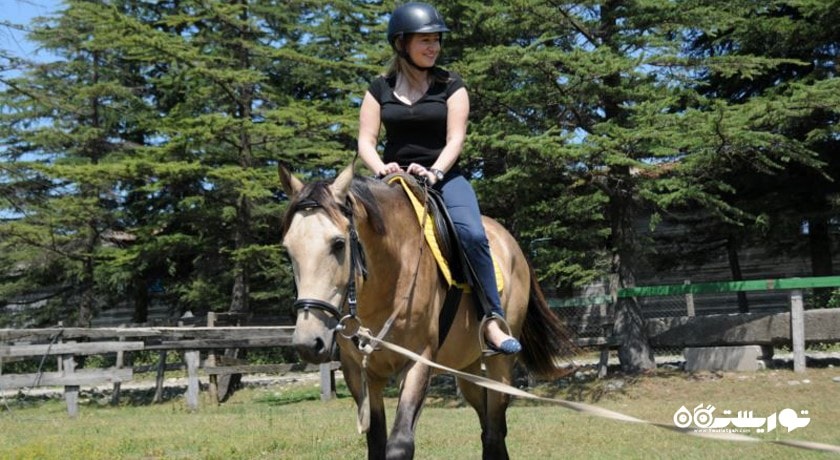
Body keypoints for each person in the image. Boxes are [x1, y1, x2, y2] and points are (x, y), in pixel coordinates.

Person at [357, 2, 521, 355]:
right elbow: (365, 141)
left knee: (474, 234)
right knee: (352, 232)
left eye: (437, 40)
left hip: (443, 178)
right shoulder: (379, 88)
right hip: (393, 181)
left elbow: (455, 139)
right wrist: (381, 168)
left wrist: (435, 171)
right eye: (425, 40)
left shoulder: (452, 85)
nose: (434, 47)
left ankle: (491, 319)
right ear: (401, 43)